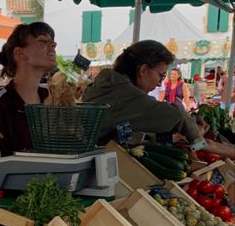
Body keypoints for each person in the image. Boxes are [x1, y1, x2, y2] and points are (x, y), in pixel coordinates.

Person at [83, 41, 224, 155]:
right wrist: (197, 138)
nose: (160, 83)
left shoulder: (111, 84)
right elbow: (177, 116)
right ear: (143, 70)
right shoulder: (121, 91)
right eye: (161, 75)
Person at [0, 21, 57, 155]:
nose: (53, 46)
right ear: (20, 53)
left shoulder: (52, 99)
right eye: (43, 41)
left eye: (53, 42)